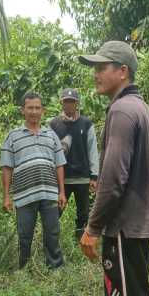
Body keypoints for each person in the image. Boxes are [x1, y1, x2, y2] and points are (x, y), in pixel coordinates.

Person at [78, 41, 149, 296]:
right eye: (95, 68)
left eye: (103, 67)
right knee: (137, 295)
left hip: (124, 226)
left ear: (122, 71)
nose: (96, 74)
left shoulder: (122, 111)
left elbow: (113, 178)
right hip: (140, 223)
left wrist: (92, 228)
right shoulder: (143, 109)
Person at [0, 92, 67, 270]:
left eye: (37, 108)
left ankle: (55, 267)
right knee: (24, 234)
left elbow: (59, 164)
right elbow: (7, 167)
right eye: (30, 108)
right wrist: (6, 196)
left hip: (49, 192)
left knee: (52, 232)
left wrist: (62, 192)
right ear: (23, 110)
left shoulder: (51, 135)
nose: (34, 111)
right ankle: (24, 267)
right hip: (24, 194)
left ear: (43, 111)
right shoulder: (13, 136)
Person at [49, 88, 99, 241]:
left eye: (72, 102)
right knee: (55, 211)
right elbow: (50, 151)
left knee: (83, 213)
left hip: (82, 177)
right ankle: (51, 239)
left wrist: (94, 176)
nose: (69, 105)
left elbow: (92, 150)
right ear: (61, 103)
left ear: (77, 104)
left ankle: (80, 241)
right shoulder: (53, 125)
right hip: (62, 178)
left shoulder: (86, 123)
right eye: (66, 102)